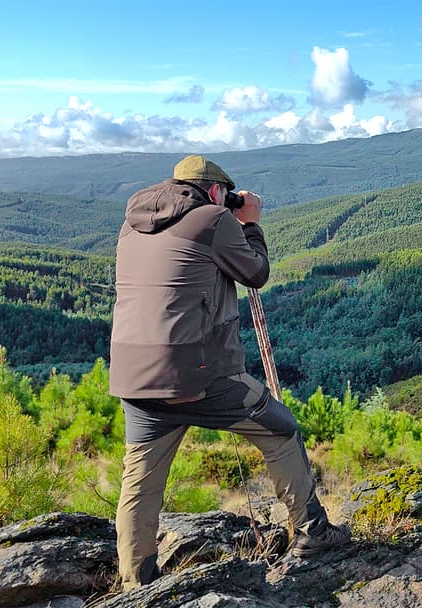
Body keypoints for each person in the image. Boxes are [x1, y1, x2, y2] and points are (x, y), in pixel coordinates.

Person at [109, 154, 349, 590]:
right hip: (198, 375)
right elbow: (255, 272)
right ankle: (313, 533)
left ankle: (134, 581)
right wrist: (250, 222)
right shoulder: (213, 219)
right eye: (227, 194)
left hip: (133, 375)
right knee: (281, 430)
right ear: (216, 191)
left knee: (140, 478)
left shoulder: (131, 225)